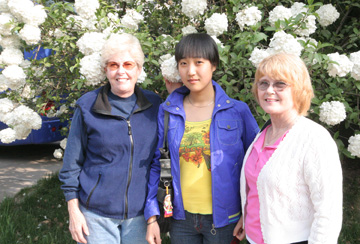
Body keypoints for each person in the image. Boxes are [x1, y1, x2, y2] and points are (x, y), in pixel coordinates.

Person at [145, 33, 259, 244]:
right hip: (180, 218)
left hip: (225, 220)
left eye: (199, 62)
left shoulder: (237, 112)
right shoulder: (168, 112)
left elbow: (256, 165)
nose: (191, 71)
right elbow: (158, 164)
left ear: (213, 64)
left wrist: (248, 211)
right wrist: (152, 216)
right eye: (184, 63)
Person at [59, 33, 162, 244]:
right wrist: (74, 211)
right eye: (113, 65)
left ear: (139, 69)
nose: (121, 71)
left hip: (140, 216)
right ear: (106, 70)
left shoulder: (155, 105)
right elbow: (71, 164)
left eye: (128, 64)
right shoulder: (87, 106)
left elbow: (159, 161)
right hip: (96, 215)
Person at [233, 53, 343, 244]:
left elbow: (328, 213)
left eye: (280, 84)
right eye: (263, 83)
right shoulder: (263, 134)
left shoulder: (314, 139)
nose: (269, 90)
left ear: (298, 89)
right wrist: (247, 216)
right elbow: (260, 188)